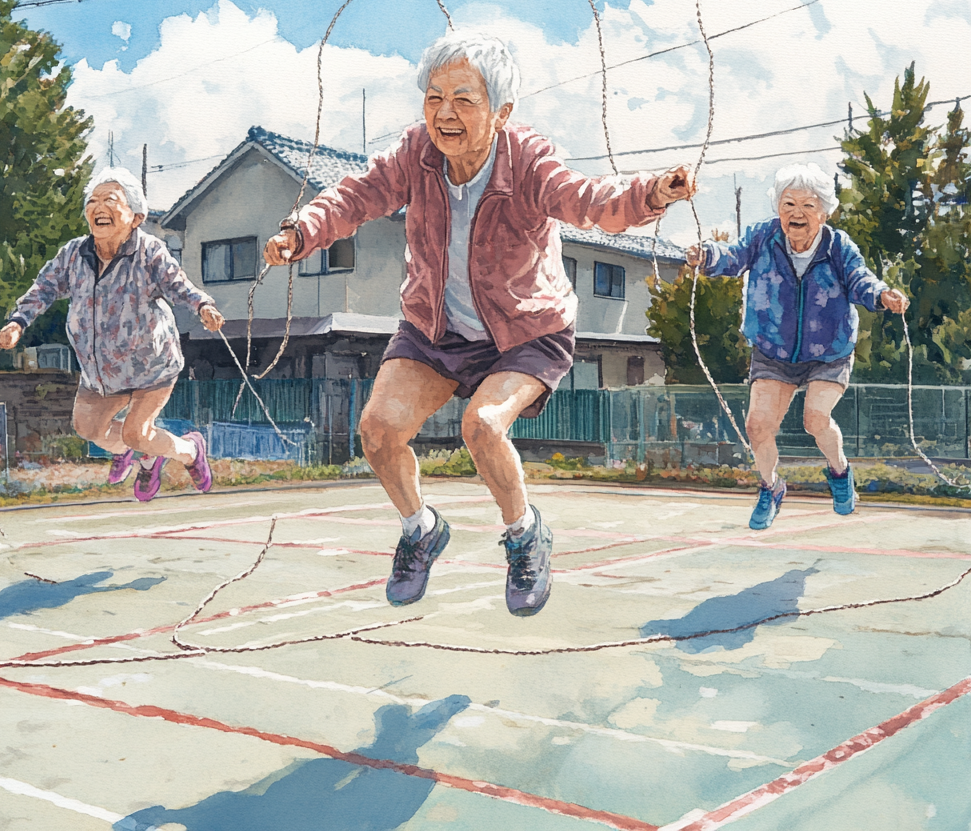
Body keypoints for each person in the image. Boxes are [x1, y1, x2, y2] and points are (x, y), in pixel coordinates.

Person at [264, 32, 694, 616]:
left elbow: (588, 202)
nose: (445, 113)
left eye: (464, 99)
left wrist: (650, 193)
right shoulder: (415, 154)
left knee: (483, 425)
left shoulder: (528, 161)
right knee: (378, 429)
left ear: (501, 111)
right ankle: (420, 529)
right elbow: (355, 196)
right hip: (435, 328)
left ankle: (525, 536)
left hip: (524, 330)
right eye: (434, 96)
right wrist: (301, 232)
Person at [686, 163, 908, 529]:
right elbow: (733, 256)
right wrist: (706, 256)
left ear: (823, 211)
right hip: (774, 349)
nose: (797, 214)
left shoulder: (838, 247)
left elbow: (859, 279)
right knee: (758, 424)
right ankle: (771, 488)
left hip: (828, 351)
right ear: (778, 208)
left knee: (815, 419)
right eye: (788, 204)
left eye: (807, 205)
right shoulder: (762, 237)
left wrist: (883, 295)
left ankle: (840, 474)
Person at [0, 167, 225, 502]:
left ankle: (190, 450)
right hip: (101, 372)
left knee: (136, 433)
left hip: (151, 368)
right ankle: (146, 456)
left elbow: (178, 285)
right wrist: (17, 322)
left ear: (136, 216)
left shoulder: (149, 251)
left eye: (110, 200)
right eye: (92, 201)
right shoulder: (74, 254)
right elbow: (42, 289)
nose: (98, 207)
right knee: (87, 429)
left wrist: (204, 306)